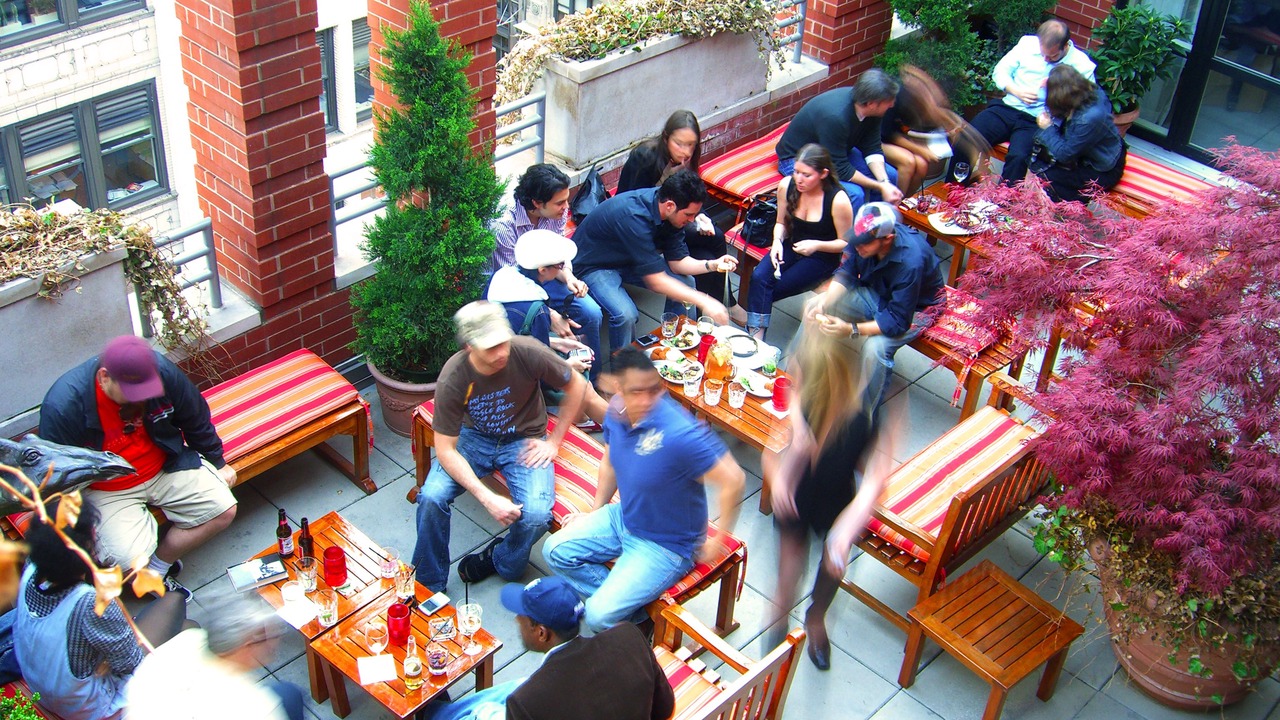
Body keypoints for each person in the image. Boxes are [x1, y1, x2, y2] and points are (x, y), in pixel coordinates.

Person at [543, 347, 745, 632]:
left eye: (654, 389)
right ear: (616, 388)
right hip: (625, 516)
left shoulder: (679, 434)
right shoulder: (616, 411)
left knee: (597, 616)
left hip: (667, 544)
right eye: (637, 392)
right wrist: (595, 511)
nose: (648, 399)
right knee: (554, 550)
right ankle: (638, 617)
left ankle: (622, 611)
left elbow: (733, 480)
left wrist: (717, 539)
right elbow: (610, 462)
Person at [39, 335, 238, 595]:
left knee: (223, 510)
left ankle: (159, 566)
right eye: (132, 393)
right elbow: (54, 471)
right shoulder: (65, 405)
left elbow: (195, 414)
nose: (141, 400)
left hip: (166, 464)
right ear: (104, 377)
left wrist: (217, 461)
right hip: (106, 487)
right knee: (128, 560)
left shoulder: (162, 371)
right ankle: (143, 565)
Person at [412, 301, 587, 593]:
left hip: (524, 441)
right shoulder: (454, 376)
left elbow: (577, 386)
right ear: (470, 346)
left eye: (503, 342)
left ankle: (501, 559)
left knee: (535, 515)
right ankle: (428, 585)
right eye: (491, 347)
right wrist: (487, 497)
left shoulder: (527, 351)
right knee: (431, 497)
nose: (502, 352)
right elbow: (445, 450)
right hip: (473, 439)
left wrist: (554, 440)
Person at [765, 327, 887, 671]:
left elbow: (876, 477)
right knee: (788, 571)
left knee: (833, 565)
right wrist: (779, 481)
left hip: (837, 498)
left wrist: (846, 530)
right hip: (799, 491)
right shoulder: (801, 398)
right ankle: (779, 617)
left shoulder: (867, 414)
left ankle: (815, 619)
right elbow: (769, 454)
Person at [15, 497, 188, 720]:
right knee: (177, 608)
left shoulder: (32, 566)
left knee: (179, 627)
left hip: (41, 684)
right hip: (85, 706)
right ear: (88, 545)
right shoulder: (91, 603)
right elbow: (129, 663)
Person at [423, 576, 674, 720]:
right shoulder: (628, 637)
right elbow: (665, 708)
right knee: (513, 688)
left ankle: (435, 715)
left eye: (521, 616)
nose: (515, 621)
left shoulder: (529, 703)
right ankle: (438, 712)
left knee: (484, 710)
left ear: (541, 633)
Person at [572, 169, 737, 353]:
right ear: (669, 206)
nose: (692, 221)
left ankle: (679, 347)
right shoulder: (634, 216)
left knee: (686, 282)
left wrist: (712, 264)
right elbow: (656, 280)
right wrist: (706, 301)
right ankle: (625, 372)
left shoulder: (671, 213)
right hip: (593, 265)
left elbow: (677, 262)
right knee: (625, 314)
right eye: (689, 215)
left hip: (627, 259)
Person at [803, 202, 945, 412]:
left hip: (917, 309)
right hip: (880, 292)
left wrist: (851, 329)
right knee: (818, 308)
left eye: (865, 244)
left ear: (887, 238)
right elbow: (848, 271)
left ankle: (863, 415)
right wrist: (825, 300)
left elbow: (897, 320)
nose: (858, 247)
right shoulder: (864, 240)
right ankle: (799, 378)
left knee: (875, 349)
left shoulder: (911, 262)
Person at [732, 143, 853, 340]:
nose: (799, 179)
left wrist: (817, 245)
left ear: (823, 174)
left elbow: (846, 243)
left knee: (769, 289)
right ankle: (756, 337)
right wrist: (777, 241)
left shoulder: (837, 200)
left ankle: (754, 338)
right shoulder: (787, 186)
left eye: (806, 175)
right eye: (796, 172)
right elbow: (781, 222)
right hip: (792, 244)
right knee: (759, 278)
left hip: (821, 256)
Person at [126, 591, 304, 720]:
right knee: (290, 694)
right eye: (270, 635)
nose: (275, 640)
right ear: (247, 645)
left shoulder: (187, 640)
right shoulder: (256, 707)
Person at [617, 110, 732, 304]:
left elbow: (689, 195)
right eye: (679, 144)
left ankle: (711, 308)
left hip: (672, 221)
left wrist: (701, 216)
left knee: (706, 250)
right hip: (645, 226)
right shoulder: (645, 157)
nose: (686, 152)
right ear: (665, 138)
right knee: (715, 239)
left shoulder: (685, 161)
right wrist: (666, 179)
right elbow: (634, 203)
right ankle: (723, 304)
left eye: (691, 145)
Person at [491, 164, 602, 361]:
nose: (567, 207)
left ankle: (590, 380)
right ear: (537, 203)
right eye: (560, 203)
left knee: (592, 312)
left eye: (566, 200)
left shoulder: (556, 213)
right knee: (541, 321)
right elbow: (511, 283)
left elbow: (558, 255)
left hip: (547, 275)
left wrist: (569, 277)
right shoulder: (504, 226)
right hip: (513, 289)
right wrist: (548, 315)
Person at [969, 19, 1097, 185]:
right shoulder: (1027, 44)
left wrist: (1055, 99)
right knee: (968, 137)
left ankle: (1002, 205)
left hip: (1038, 120)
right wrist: (1015, 90)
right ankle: (952, 193)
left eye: (1052, 56)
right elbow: (1000, 71)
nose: (1045, 59)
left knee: (1019, 157)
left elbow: (1086, 105)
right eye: (1042, 54)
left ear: (1065, 46)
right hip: (1009, 106)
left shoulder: (1082, 66)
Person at [774, 69, 904, 208]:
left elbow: (872, 147)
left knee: (890, 175)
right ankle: (848, 230)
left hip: (834, 152)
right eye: (889, 101)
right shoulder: (836, 117)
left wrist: (884, 182)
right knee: (854, 194)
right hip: (797, 159)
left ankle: (875, 223)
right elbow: (841, 170)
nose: (892, 104)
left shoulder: (872, 111)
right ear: (872, 103)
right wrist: (880, 186)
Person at [488, 229, 600, 381]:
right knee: (582, 383)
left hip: (495, 364)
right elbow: (540, 368)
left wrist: (558, 343)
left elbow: (516, 339)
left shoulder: (499, 280)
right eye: (560, 266)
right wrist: (568, 366)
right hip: (518, 378)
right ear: (543, 270)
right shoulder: (538, 312)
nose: (562, 268)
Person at [880, 65, 987, 196]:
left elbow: (937, 116)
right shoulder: (895, 98)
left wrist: (953, 130)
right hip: (877, 139)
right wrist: (920, 150)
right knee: (908, 162)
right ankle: (893, 205)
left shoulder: (918, 104)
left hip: (892, 137)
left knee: (922, 165)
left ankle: (905, 202)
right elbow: (889, 134)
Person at [1031, 65, 1127, 204]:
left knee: (1049, 177)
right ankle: (1061, 212)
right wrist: (1052, 82)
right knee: (1041, 162)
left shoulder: (1088, 119)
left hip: (1101, 169)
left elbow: (1065, 154)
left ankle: (1065, 218)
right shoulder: (1086, 92)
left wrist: (1047, 128)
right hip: (1090, 155)